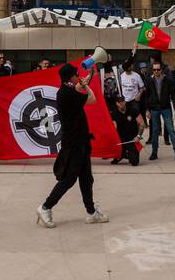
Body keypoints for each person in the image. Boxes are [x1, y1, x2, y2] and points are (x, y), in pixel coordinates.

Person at [36, 49, 110, 228]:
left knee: (86, 178)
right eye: (76, 75)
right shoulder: (66, 94)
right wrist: (85, 85)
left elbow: (79, 89)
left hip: (81, 141)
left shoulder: (67, 90)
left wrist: (86, 80)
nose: (79, 77)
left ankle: (91, 212)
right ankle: (45, 207)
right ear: (70, 78)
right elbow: (91, 99)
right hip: (74, 143)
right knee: (69, 179)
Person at [142, 62, 175, 162]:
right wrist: (147, 110)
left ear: (161, 70)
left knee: (171, 130)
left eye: (158, 69)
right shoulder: (149, 80)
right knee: (155, 132)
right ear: (152, 70)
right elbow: (147, 96)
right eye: (154, 70)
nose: (156, 71)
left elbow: (174, 93)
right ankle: (154, 152)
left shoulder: (168, 80)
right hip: (154, 109)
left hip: (165, 108)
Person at [108, 94, 142, 166]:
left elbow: (142, 124)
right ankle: (120, 155)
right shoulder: (113, 114)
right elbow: (113, 128)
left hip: (131, 140)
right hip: (120, 141)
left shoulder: (133, 110)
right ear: (117, 103)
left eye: (123, 101)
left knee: (134, 162)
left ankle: (126, 154)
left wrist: (138, 136)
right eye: (120, 102)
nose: (122, 104)